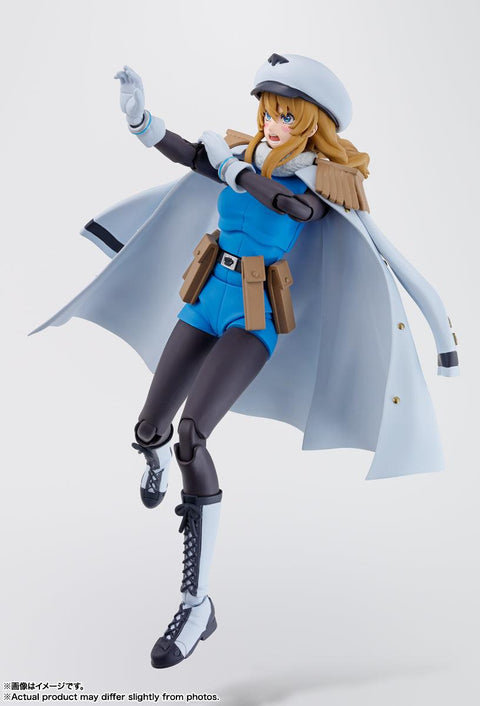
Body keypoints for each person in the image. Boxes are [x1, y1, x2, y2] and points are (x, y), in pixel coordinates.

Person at [33, 53, 459, 669]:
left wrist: (234, 168)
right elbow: (187, 155)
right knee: (150, 429)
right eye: (266, 113)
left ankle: (196, 605)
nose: (271, 124)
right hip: (205, 296)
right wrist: (142, 122)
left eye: (284, 116)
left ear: (309, 123)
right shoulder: (247, 153)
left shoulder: (317, 181)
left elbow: (291, 208)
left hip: (254, 317)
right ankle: (151, 453)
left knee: (192, 437)